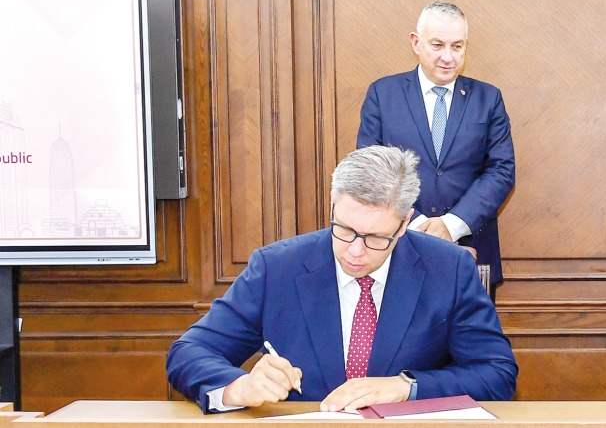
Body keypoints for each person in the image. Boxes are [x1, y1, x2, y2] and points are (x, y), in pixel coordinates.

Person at [167, 146, 518, 413]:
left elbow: (497, 373)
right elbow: (189, 352)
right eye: (345, 230)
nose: (355, 250)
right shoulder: (277, 269)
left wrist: (405, 387)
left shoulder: (449, 270)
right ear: (332, 206)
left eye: (376, 238)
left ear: (404, 222)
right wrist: (238, 387)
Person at [357, 1, 515, 292]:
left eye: (457, 46)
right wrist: (417, 225)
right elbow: (371, 172)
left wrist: (452, 224)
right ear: (416, 43)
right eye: (437, 45)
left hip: (471, 247)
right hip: (398, 246)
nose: (448, 57)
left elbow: (501, 171)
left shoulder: (488, 98)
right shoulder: (383, 94)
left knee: (470, 337)